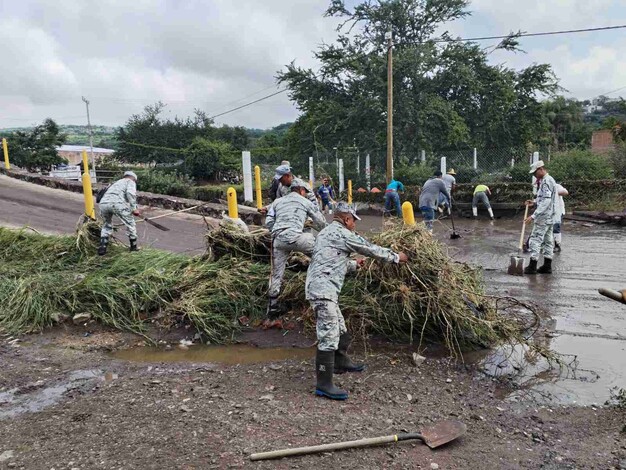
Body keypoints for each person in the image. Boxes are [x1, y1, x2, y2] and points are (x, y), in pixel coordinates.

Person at [306, 202, 408, 400]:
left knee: (340, 328)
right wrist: (397, 257)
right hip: (322, 291)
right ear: (346, 219)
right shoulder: (343, 234)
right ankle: (324, 384)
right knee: (328, 334)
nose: (354, 225)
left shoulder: (326, 233)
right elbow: (369, 248)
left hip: (323, 289)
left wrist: (354, 265)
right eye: (354, 221)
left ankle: (340, 362)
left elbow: (331, 261)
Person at [265, 178, 327, 319]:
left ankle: (272, 307)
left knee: (276, 273)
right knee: (322, 254)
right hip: (298, 237)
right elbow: (321, 222)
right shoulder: (305, 202)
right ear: (301, 190)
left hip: (278, 239)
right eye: (305, 192)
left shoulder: (277, 202)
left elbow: (268, 222)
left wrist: (277, 233)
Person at [524, 160, 558, 274]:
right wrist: (534, 202)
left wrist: (533, 216)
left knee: (535, 240)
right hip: (550, 216)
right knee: (548, 240)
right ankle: (547, 266)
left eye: (535, 173)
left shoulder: (546, 181)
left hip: (543, 217)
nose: (534, 175)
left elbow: (546, 201)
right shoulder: (548, 180)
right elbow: (543, 198)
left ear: (541, 169)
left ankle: (532, 266)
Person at [98, 171, 141, 256]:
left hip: (103, 203)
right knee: (131, 224)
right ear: (133, 178)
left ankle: (102, 248)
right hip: (117, 204)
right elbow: (130, 193)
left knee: (106, 225)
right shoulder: (130, 181)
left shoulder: (115, 183)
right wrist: (134, 209)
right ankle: (133, 248)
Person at [553, 183, 569, 252]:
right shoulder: (542, 188)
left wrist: (556, 192)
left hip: (558, 211)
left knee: (556, 227)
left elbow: (565, 192)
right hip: (547, 212)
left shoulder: (556, 186)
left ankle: (557, 245)